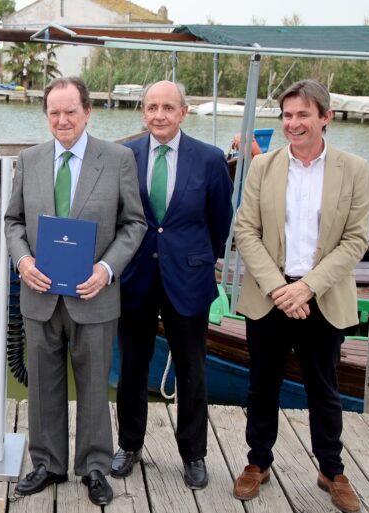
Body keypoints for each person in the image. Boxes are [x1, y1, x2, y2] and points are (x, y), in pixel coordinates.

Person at [4, 77, 146, 507]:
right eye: (54, 112)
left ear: (87, 112)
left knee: (94, 388)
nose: (62, 120)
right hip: (40, 294)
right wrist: (23, 261)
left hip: (94, 295)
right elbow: (13, 221)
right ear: (46, 115)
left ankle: (94, 466)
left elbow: (134, 224)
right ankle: (47, 463)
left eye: (70, 111)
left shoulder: (118, 159)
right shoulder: (29, 160)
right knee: (42, 388)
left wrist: (107, 269)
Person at [232, 79, 369, 513]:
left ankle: (331, 469)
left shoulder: (355, 170)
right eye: (288, 115)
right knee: (262, 385)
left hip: (322, 297)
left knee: (324, 388)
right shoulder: (263, 167)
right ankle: (258, 462)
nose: (293, 123)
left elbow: (355, 240)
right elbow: (245, 231)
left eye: (303, 115)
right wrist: (279, 288)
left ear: (326, 117)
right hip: (269, 295)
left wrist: (307, 287)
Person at [114, 80, 233, 488]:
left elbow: (220, 224)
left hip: (189, 277)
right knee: (132, 367)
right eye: (152, 107)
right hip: (137, 276)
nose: (159, 115)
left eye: (168, 107)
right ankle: (129, 445)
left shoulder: (210, 159)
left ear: (183, 112)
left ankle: (193, 454)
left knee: (191, 370)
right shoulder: (125, 156)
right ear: (143, 112)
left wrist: (195, 258)